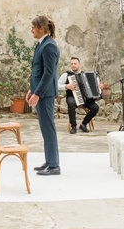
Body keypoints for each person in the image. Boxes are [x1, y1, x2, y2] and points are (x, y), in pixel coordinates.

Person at [27, 15, 61, 175]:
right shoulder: (42, 44)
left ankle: (54, 165)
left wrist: (38, 93)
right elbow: (38, 71)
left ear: (42, 29)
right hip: (41, 92)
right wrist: (32, 90)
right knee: (45, 129)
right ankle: (49, 161)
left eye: (34, 27)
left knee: (48, 128)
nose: (31, 30)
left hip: (45, 94)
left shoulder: (49, 46)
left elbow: (48, 74)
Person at [59, 56, 100, 134]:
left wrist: (99, 87)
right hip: (72, 96)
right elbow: (56, 85)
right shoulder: (66, 74)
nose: (73, 65)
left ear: (79, 64)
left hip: (85, 98)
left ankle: (83, 124)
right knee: (71, 103)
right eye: (72, 64)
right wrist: (66, 86)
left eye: (75, 63)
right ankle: (73, 126)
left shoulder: (84, 75)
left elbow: (94, 86)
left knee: (95, 107)